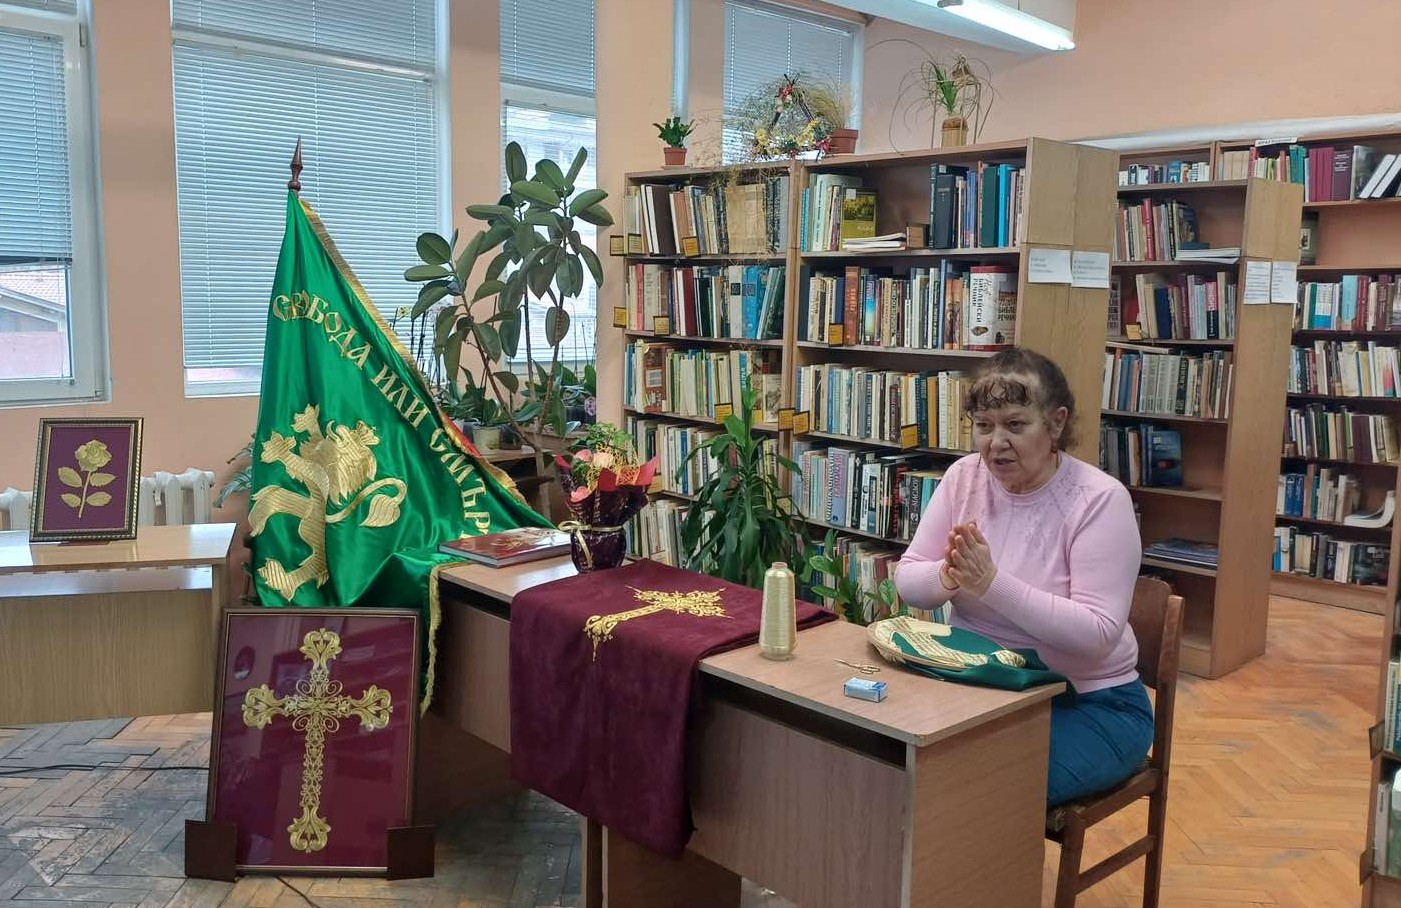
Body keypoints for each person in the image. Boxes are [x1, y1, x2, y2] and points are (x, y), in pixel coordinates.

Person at [894, 347, 1153, 806]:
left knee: (976, 790)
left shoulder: (1098, 500)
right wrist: (951, 575)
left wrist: (990, 584)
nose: (996, 442)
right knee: (887, 755)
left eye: (1015, 425)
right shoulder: (963, 477)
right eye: (983, 426)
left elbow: (1097, 634)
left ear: (1055, 423)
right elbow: (909, 580)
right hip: (981, 684)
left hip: (1089, 702)